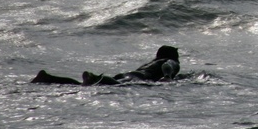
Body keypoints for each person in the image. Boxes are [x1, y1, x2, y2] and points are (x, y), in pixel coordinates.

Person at [31, 45, 180, 86]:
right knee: (108, 85)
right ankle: (95, 78)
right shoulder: (170, 61)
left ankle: (48, 78)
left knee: (85, 86)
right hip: (137, 78)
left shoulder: (151, 62)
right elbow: (168, 65)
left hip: (128, 74)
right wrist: (167, 77)